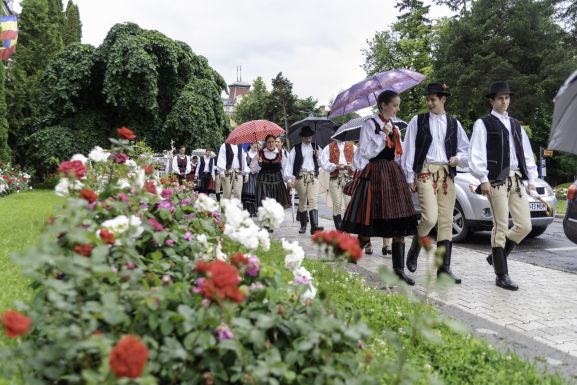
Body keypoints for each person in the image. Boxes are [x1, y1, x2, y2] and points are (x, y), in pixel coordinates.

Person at [340, 90, 418, 285]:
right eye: (395, 105)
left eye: (398, 105)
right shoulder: (370, 125)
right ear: (383, 104)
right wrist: (383, 135)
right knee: (370, 222)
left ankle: (398, 271)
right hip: (375, 175)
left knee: (399, 222)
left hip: (394, 175)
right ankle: (352, 261)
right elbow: (365, 152)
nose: (397, 108)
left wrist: (408, 178)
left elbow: (399, 154)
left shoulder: (395, 127)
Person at [469, 81, 538, 291]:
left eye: (507, 97)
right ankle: (501, 274)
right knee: (500, 226)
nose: (504, 101)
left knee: (524, 225)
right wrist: (483, 179)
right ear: (492, 100)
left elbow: (526, 154)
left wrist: (531, 180)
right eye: (500, 98)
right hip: (496, 180)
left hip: (516, 179)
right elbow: (477, 153)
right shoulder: (483, 123)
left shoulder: (516, 125)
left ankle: (496, 256)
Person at [402, 83, 470, 284]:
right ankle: (415, 248)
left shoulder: (454, 123)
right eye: (428, 99)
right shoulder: (418, 120)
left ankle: (444, 268)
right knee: (430, 218)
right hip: (425, 172)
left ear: (443, 99)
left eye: (433, 99)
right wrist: (408, 177)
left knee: (446, 221)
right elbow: (409, 149)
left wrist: (458, 158)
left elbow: (466, 150)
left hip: (446, 174)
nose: (429, 103)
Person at [284, 126, 324, 235]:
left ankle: (314, 226)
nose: (308, 139)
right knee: (302, 200)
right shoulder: (296, 149)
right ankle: (303, 225)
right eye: (306, 137)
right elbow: (290, 164)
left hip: (313, 176)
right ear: (302, 137)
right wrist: (290, 179)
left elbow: (322, 163)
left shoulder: (316, 147)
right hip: (301, 176)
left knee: (313, 200)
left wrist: (318, 156)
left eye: (310, 137)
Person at [251, 134, 290, 230]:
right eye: (269, 142)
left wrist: (288, 180)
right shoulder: (259, 154)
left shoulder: (280, 153)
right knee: (264, 201)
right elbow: (253, 169)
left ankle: (271, 221)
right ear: (266, 143)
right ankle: (266, 222)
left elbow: (285, 169)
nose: (271, 144)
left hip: (277, 180)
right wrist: (258, 162)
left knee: (274, 202)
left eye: (273, 141)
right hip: (263, 180)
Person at [320, 138, 356, 229]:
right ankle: (339, 228)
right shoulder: (329, 147)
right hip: (335, 178)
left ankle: (348, 225)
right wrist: (336, 166)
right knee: (337, 204)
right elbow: (324, 163)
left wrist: (352, 166)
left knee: (349, 204)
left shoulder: (353, 147)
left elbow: (359, 161)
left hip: (349, 179)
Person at [242, 143, 259, 217]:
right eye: (254, 147)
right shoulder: (246, 154)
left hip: (257, 175)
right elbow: (244, 165)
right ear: (251, 146)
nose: (255, 148)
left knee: (256, 192)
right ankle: (248, 210)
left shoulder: (258, 155)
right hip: (248, 175)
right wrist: (246, 174)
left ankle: (254, 211)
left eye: (256, 147)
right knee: (248, 191)